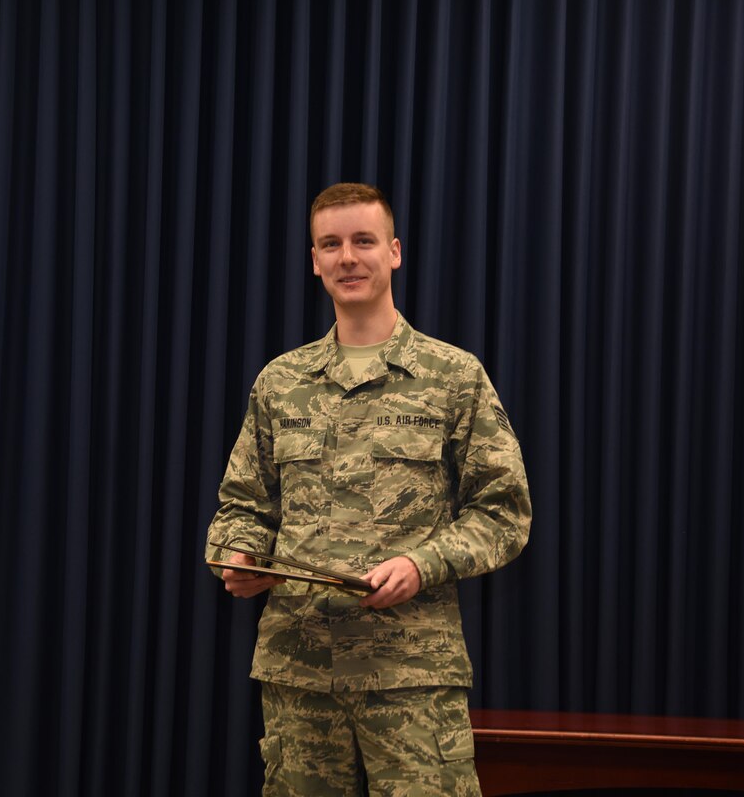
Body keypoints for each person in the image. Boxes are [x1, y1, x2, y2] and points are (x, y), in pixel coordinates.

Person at [206, 182, 532, 796]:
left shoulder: (452, 376)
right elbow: (241, 507)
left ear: (395, 252)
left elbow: (504, 511)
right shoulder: (281, 382)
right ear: (314, 260)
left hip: (410, 675)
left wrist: (421, 562)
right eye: (330, 244)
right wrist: (239, 556)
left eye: (363, 241)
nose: (347, 258)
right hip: (299, 673)